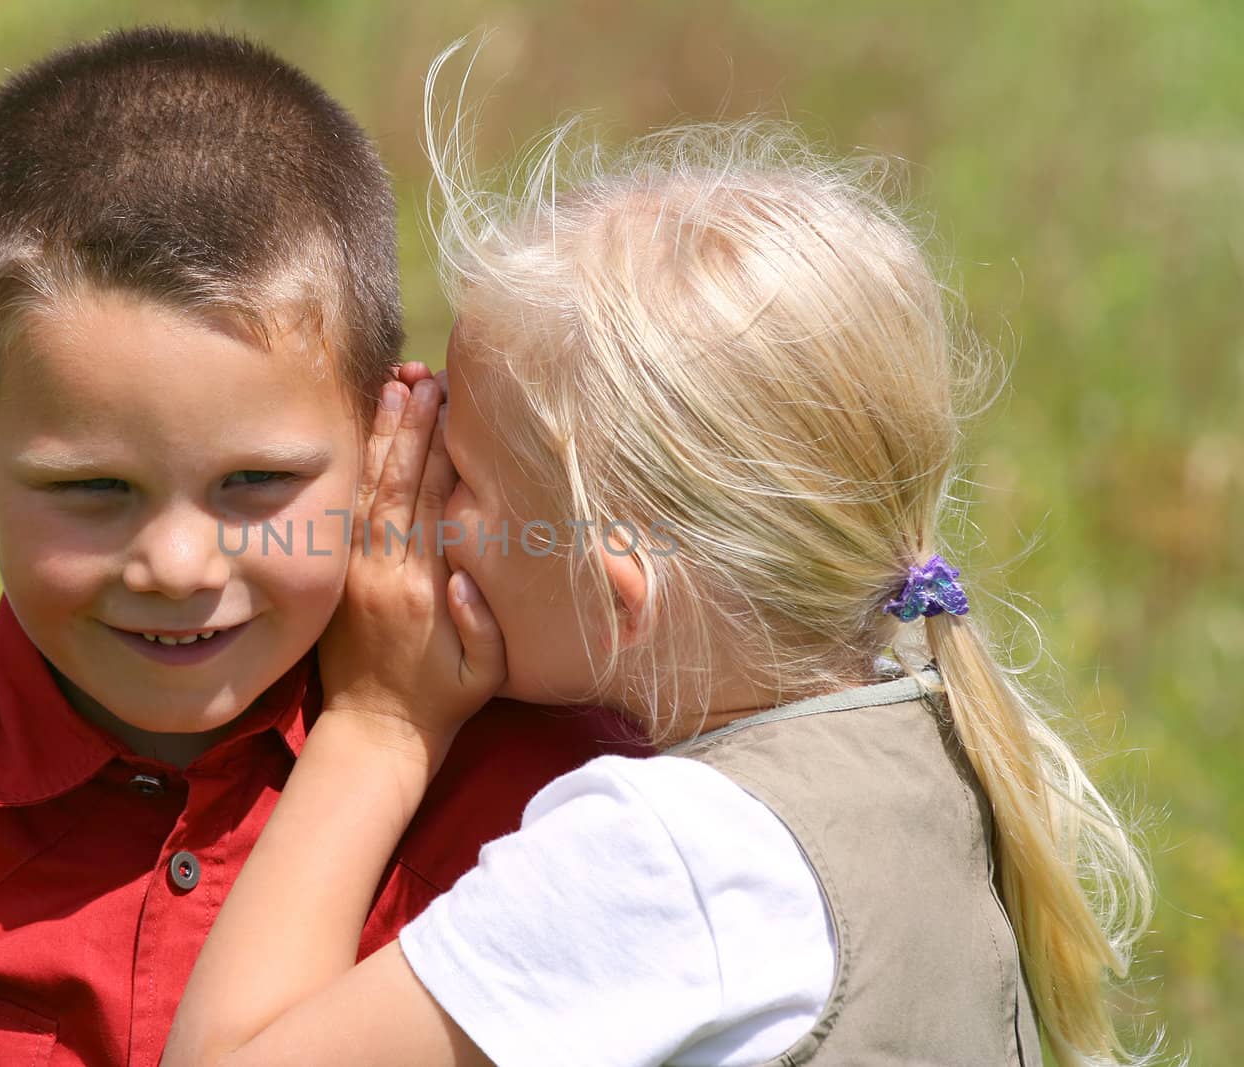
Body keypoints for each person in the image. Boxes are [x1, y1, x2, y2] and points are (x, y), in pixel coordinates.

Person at [0, 29, 638, 1065]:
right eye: (92, 488)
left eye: (256, 482)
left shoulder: (576, 804)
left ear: (388, 435)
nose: (178, 565)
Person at [163, 67, 1156, 1067]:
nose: (408, 498)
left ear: (611, 591)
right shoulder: (931, 738)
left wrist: (376, 726)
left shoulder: (668, 857)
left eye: (453, 472)